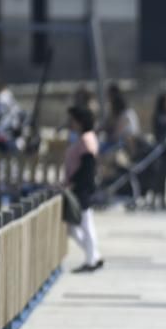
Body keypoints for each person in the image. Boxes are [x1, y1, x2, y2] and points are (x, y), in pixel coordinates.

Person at [64, 106, 104, 272]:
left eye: (72, 120)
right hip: (80, 188)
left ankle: (91, 260)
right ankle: (93, 256)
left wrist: (74, 183)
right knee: (77, 227)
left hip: (81, 190)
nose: (70, 123)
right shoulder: (86, 138)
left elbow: (87, 168)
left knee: (85, 225)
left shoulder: (86, 140)